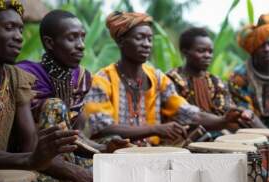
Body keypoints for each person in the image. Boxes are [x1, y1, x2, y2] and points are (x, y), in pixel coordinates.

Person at [0, 0, 92, 182]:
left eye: (20, 29)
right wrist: (37, 161)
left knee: (83, 179)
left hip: (11, 170)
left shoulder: (17, 78)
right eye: (9, 28)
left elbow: (29, 145)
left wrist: (64, 165)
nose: (18, 37)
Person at [84, 11, 234, 146]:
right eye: (139, 38)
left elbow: (188, 113)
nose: (147, 44)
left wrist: (224, 120)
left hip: (152, 152)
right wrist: (155, 129)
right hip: (115, 156)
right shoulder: (103, 79)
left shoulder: (157, 78)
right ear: (121, 42)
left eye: (149, 39)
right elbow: (102, 127)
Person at [17, 10, 128, 170]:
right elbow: (30, 142)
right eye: (72, 38)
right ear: (49, 43)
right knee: (54, 106)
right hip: (35, 161)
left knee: (116, 147)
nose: (81, 45)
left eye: (82, 37)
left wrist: (103, 148)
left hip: (70, 156)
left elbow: (77, 135)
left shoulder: (81, 78)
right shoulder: (26, 75)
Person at [167, 27, 254, 133]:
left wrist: (241, 113)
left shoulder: (215, 81)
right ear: (185, 52)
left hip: (218, 134)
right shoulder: (172, 79)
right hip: (183, 137)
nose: (208, 56)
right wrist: (223, 121)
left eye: (210, 52)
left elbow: (226, 110)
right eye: (201, 51)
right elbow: (183, 115)